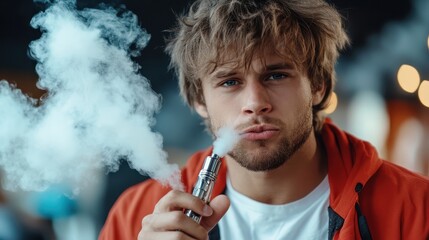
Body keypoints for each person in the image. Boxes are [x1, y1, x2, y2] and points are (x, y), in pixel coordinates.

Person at [99, 0, 429, 239]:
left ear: (318, 86)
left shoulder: (415, 207)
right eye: (230, 82)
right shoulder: (138, 215)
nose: (255, 104)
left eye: (275, 76)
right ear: (200, 100)